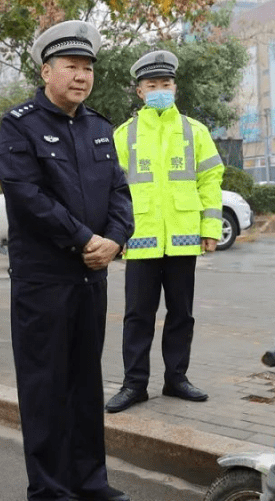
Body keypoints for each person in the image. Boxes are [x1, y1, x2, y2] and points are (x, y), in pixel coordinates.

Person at [0, 20, 134, 501]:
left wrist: (114, 239)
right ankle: (51, 490)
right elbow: (26, 196)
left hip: (91, 280)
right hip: (44, 282)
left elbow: (119, 191)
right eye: (71, 66)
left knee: (85, 384)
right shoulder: (18, 125)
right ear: (46, 70)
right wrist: (83, 240)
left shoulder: (99, 127)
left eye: (87, 67)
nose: (81, 76)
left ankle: (90, 481)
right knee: (44, 388)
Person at [105, 50, 224, 413]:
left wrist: (211, 228)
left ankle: (177, 379)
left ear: (175, 88)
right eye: (151, 85)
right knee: (137, 315)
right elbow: (111, 189)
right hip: (138, 241)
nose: (160, 90)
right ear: (139, 92)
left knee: (181, 313)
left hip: (184, 239)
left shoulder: (194, 131)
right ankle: (134, 384)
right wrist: (114, 235)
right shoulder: (123, 134)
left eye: (166, 84)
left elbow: (210, 179)